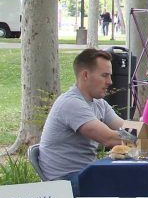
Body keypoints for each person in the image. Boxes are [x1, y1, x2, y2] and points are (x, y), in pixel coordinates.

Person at [39, 49, 130, 184]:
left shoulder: (99, 103)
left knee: (132, 178)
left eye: (110, 76)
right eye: (105, 75)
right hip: (65, 182)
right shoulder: (71, 103)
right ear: (85, 75)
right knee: (132, 182)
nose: (110, 81)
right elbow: (109, 138)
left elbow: (125, 127)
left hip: (84, 174)